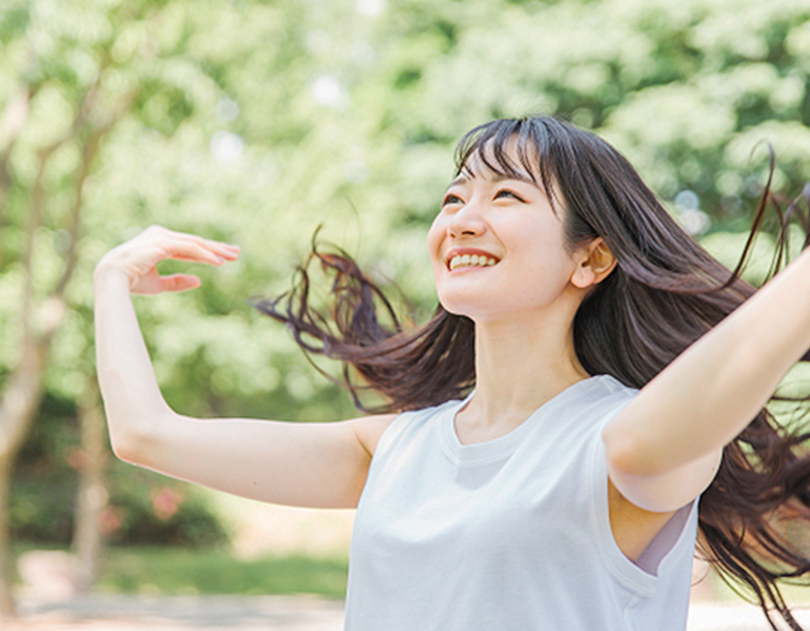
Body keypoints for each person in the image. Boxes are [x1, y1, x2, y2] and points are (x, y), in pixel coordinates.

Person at [94, 116, 810, 630]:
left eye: (506, 196)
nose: (463, 218)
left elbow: (665, 427)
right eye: (454, 197)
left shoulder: (615, 443)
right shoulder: (394, 448)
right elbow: (145, 434)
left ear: (590, 258)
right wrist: (110, 278)